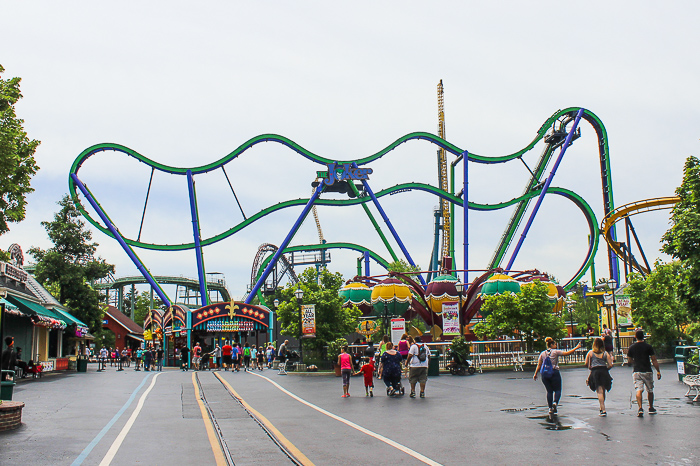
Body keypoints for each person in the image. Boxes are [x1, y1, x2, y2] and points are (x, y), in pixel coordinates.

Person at [533, 337, 582, 414]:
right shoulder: (555, 352)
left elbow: (539, 364)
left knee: (549, 391)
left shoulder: (542, 353)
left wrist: (535, 373)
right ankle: (555, 402)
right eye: (555, 344)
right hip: (554, 372)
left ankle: (550, 408)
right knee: (557, 390)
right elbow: (567, 353)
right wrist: (576, 347)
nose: (556, 345)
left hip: (545, 374)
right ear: (551, 344)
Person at [627, 330, 661, 417]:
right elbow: (654, 359)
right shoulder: (648, 347)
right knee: (650, 390)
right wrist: (658, 371)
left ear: (635, 337)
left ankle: (640, 408)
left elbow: (629, 360)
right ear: (643, 337)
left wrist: (634, 362)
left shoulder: (632, 347)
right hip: (647, 370)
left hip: (637, 371)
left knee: (639, 389)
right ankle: (651, 407)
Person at [585, 337, 614, 416]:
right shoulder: (605, 353)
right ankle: (602, 407)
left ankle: (603, 409)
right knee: (603, 390)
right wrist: (606, 369)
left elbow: (586, 363)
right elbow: (610, 364)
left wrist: (590, 367)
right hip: (604, 371)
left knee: (599, 391)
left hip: (595, 372)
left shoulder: (590, 353)